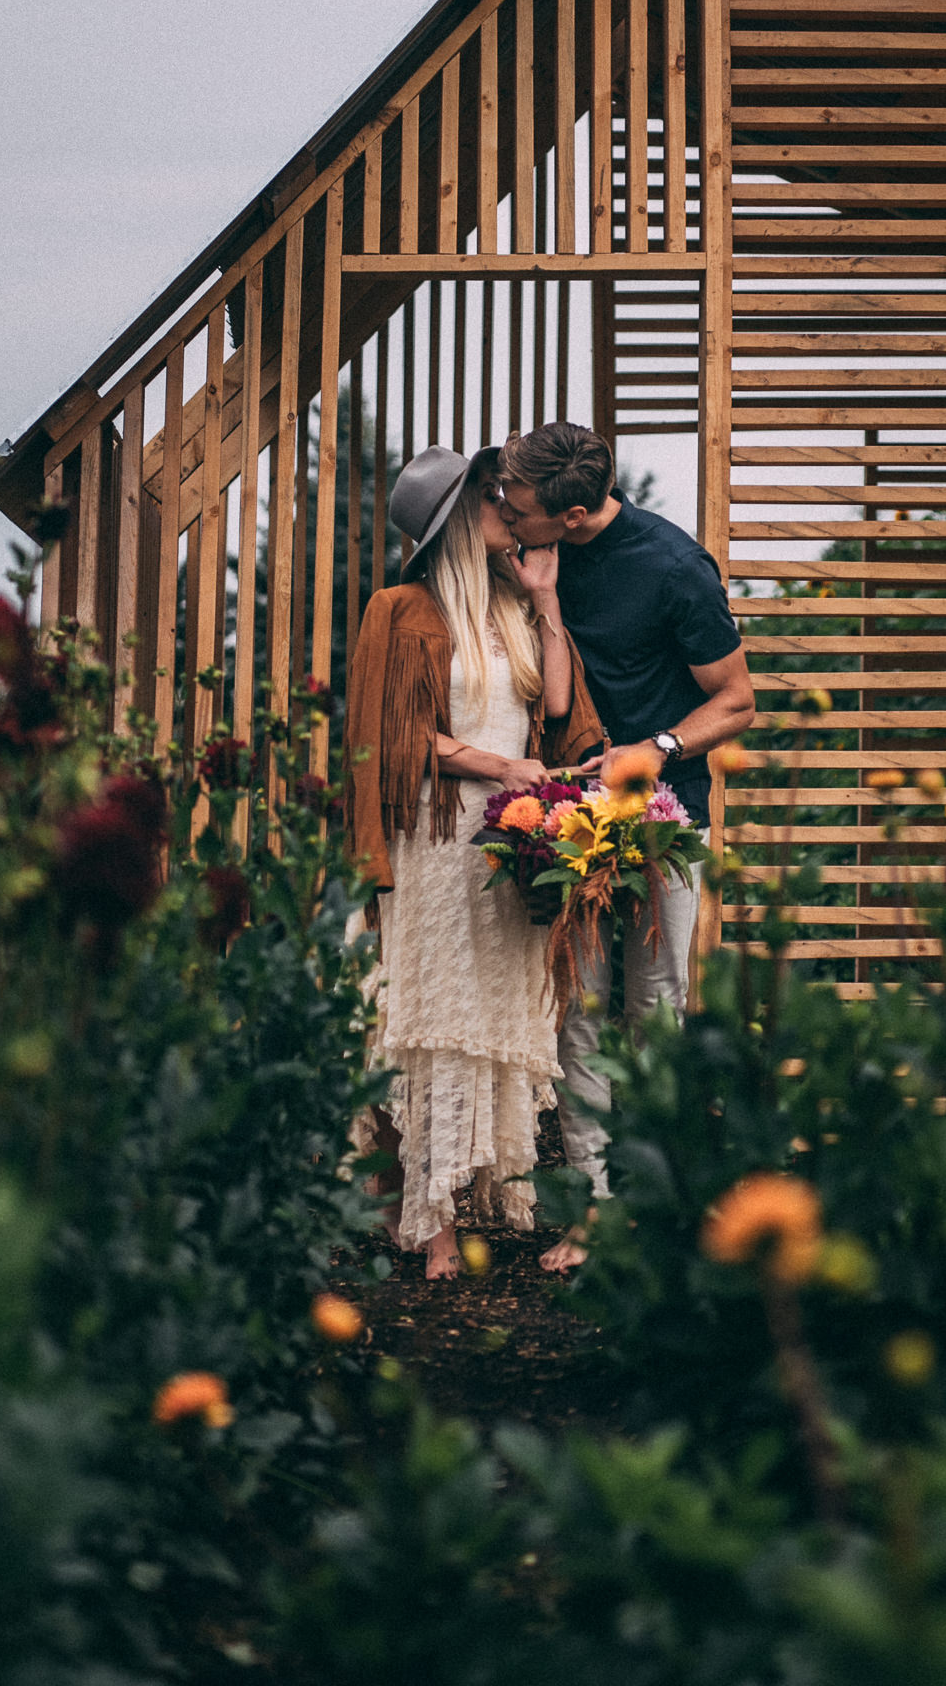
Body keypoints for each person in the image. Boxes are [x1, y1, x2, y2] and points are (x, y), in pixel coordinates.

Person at [497, 423, 755, 1270]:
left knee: (656, 1011)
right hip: (565, 823)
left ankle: (660, 1201)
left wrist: (660, 750)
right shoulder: (535, 559)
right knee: (580, 1013)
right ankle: (594, 1213)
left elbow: (736, 702)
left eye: (518, 502)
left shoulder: (676, 569)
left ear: (571, 514)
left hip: (666, 821)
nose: (503, 509)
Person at [344, 444, 601, 1280]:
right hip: (437, 838)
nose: (505, 502)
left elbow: (556, 706)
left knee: (493, 1016)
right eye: (488, 496)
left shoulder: (509, 606)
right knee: (439, 1023)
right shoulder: (400, 608)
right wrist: (495, 767)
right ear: (455, 518)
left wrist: (546, 600)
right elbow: (392, 736)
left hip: (504, 838)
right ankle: (432, 1223)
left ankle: (477, 1190)